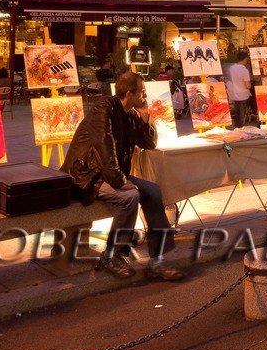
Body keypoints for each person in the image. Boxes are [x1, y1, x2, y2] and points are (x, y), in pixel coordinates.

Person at [63, 71, 184, 280]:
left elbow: (148, 143)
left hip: (109, 173)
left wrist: (146, 119)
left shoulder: (130, 114)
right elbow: (104, 146)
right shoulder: (104, 109)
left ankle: (157, 262)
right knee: (129, 197)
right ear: (130, 93)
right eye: (143, 93)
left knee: (153, 190)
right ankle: (112, 255)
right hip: (87, 175)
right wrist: (120, 181)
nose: (145, 97)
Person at [225, 49, 257, 127]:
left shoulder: (232, 68)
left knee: (238, 115)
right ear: (245, 59)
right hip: (244, 95)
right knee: (242, 114)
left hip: (235, 94)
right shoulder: (244, 70)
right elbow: (247, 85)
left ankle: (238, 128)